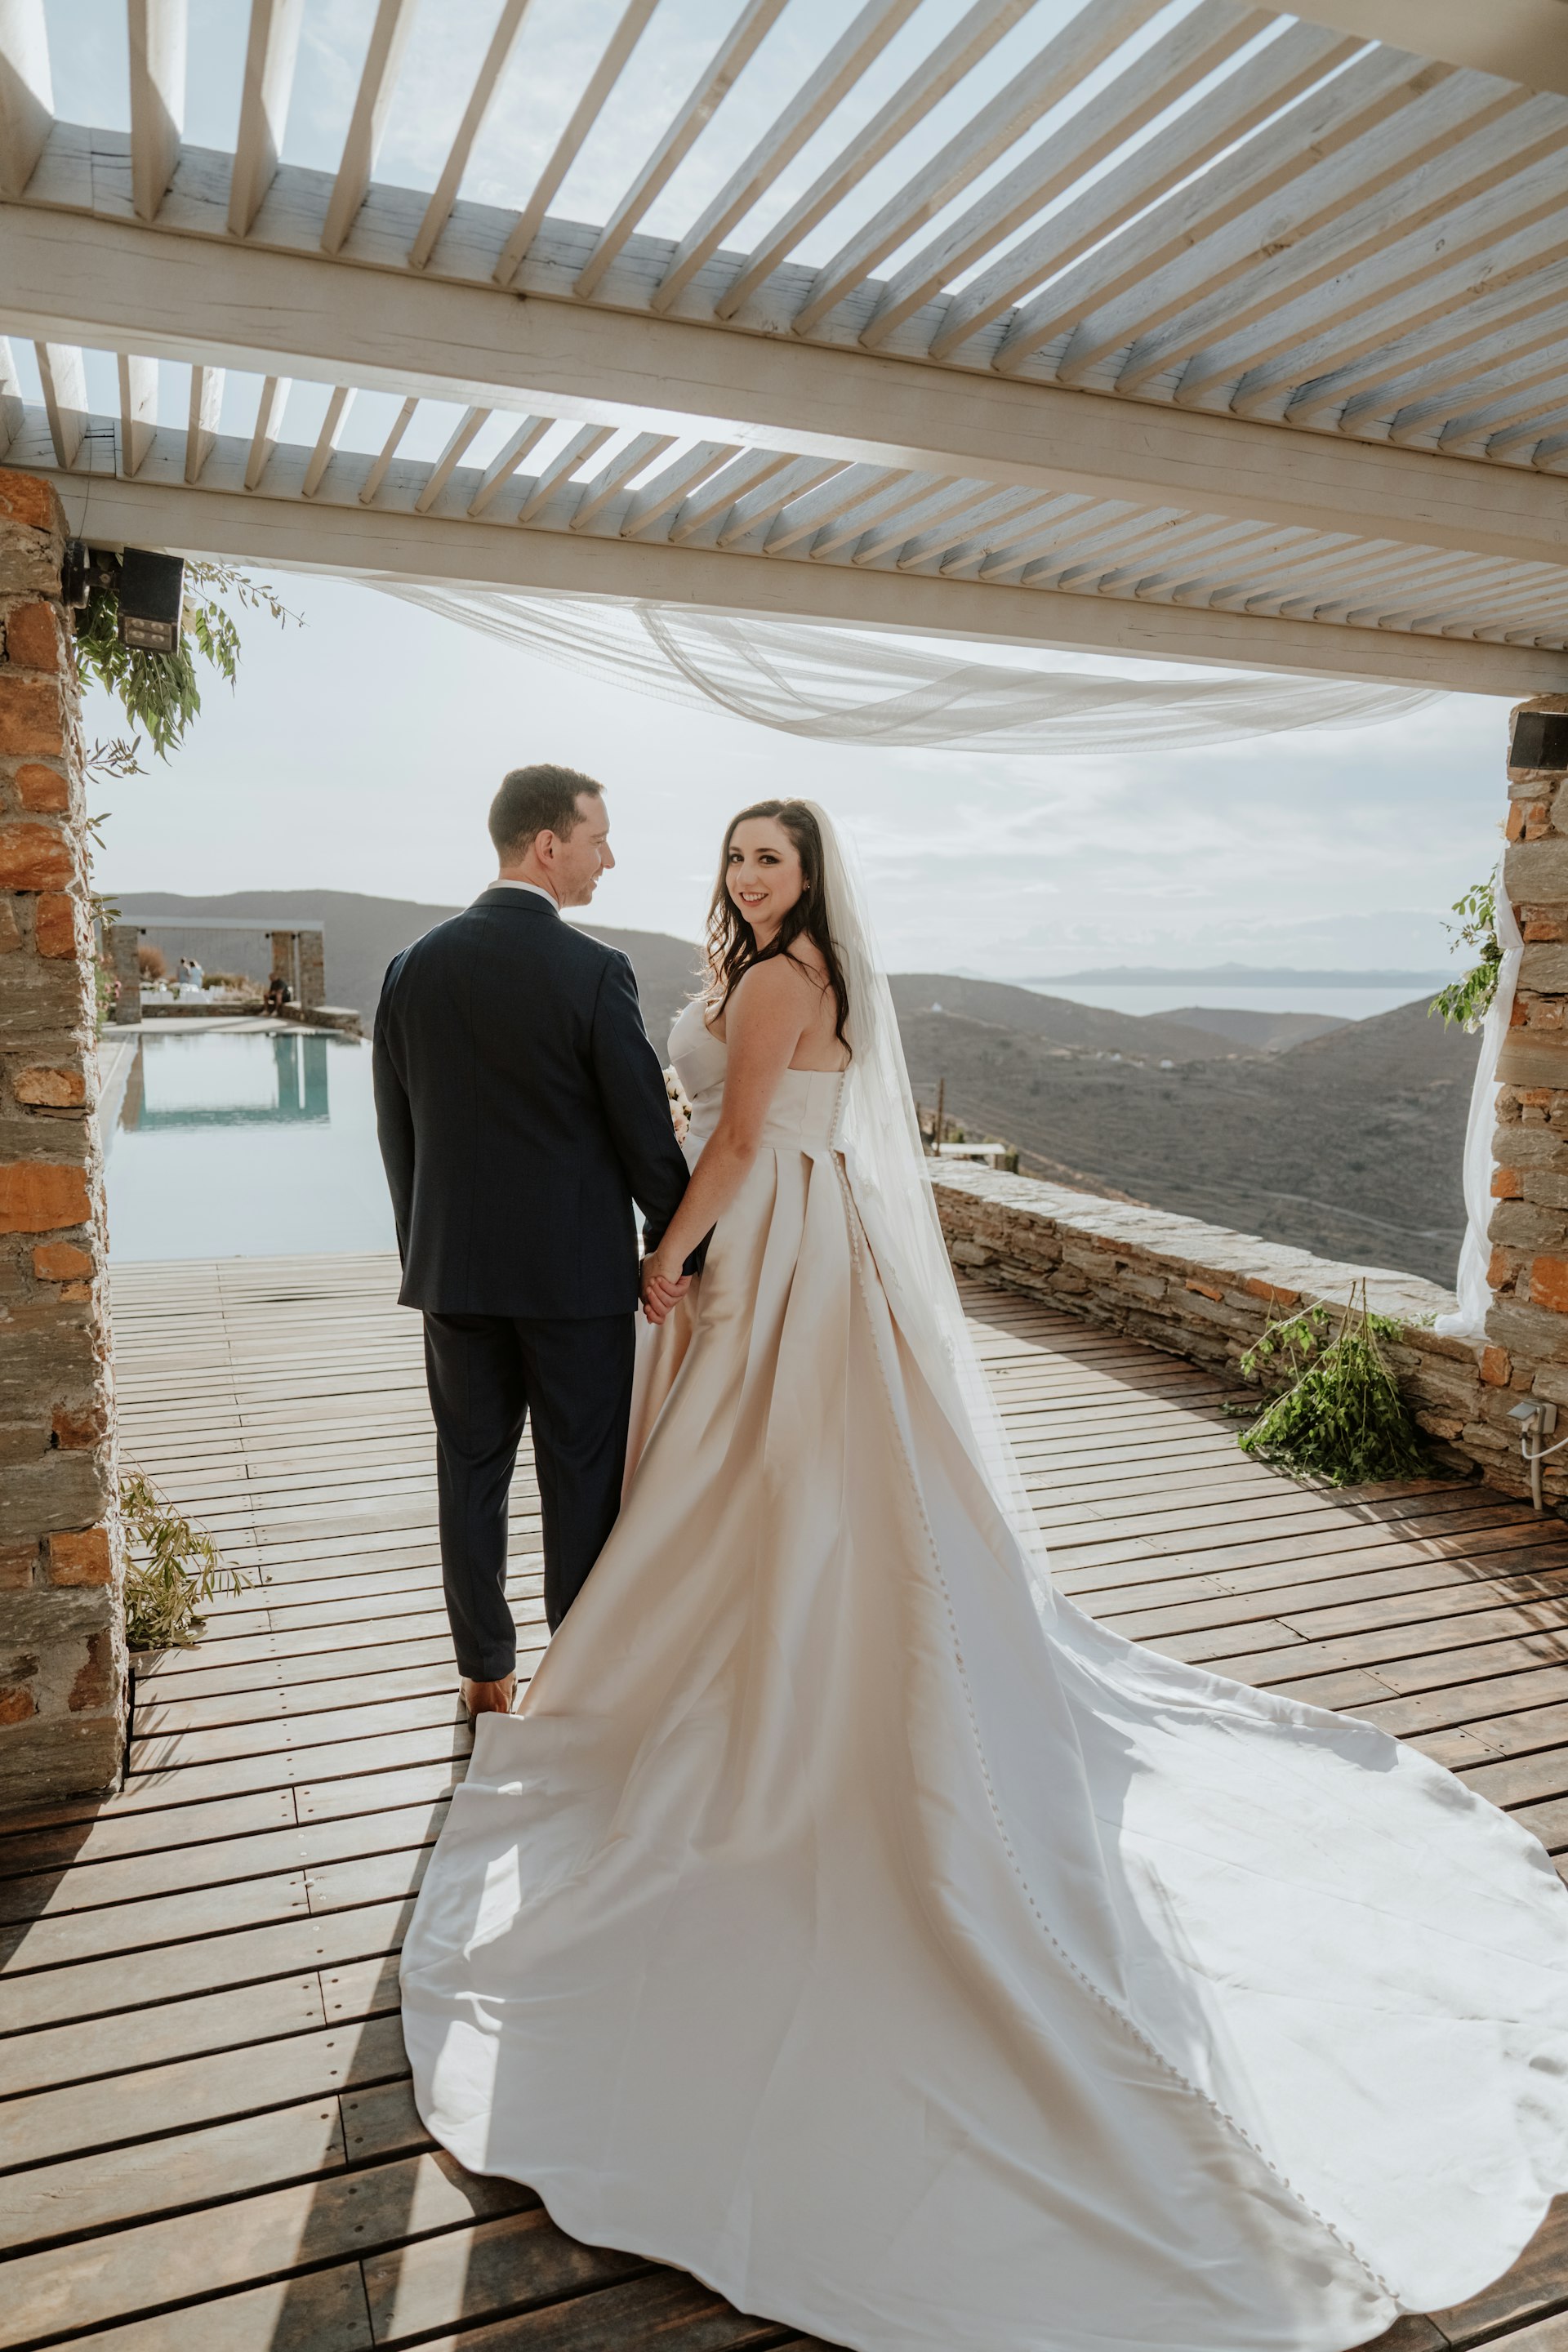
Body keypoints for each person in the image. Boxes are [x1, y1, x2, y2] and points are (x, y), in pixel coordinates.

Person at [400, 800, 1568, 2352]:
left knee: (760, 1488)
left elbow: (740, 1138)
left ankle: (721, 1690)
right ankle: (742, 1663)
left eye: (775, 856)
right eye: (739, 856)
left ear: (812, 876)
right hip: (800, 1245)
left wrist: (670, 1257)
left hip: (771, 1253)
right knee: (777, 1500)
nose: (751, 876)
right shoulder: (773, 967)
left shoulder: (765, 980)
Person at [373, 764, 691, 1721]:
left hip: (453, 1277)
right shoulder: (595, 972)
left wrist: (424, 1257)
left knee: (469, 1472)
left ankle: (484, 1678)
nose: (608, 857)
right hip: (574, 1286)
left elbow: (400, 1139)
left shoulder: (409, 969)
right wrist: (680, 1250)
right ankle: (580, 1674)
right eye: (598, 837)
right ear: (547, 845)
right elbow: (646, 1137)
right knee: (580, 1476)